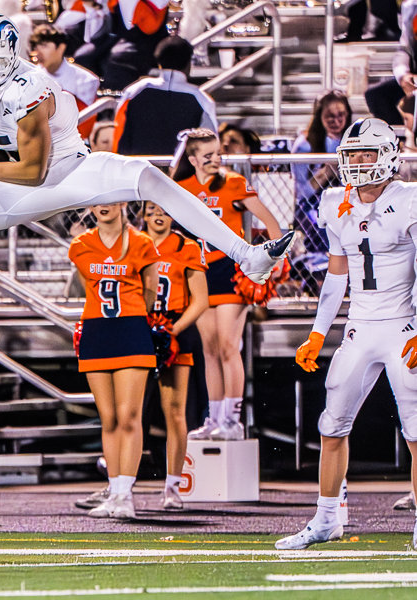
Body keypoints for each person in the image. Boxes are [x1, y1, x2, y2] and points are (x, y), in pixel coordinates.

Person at [0, 10, 294, 379]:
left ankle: (247, 256)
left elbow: (33, 170)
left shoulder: (29, 88)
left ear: (5, 60)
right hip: (11, 180)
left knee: (148, 177)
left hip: (65, 170)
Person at [276, 117, 417, 550]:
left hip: (403, 324)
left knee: (416, 432)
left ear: (388, 156)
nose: (356, 162)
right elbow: (337, 275)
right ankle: (326, 519)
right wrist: (318, 333)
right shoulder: (337, 200)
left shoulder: (409, 199)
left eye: (366, 154)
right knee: (332, 424)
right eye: (351, 154)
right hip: (359, 326)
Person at [171, 128, 284, 440]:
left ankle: (233, 420)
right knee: (208, 349)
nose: (216, 160)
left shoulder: (233, 182)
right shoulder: (182, 187)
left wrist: (275, 260)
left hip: (229, 270)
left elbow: (271, 222)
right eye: (207, 155)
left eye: (218, 153)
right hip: (200, 272)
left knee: (227, 345)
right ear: (193, 159)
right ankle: (215, 418)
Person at [70, 203, 159, 519]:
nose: (103, 206)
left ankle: (125, 495)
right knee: (108, 419)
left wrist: (132, 317)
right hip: (97, 332)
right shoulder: (81, 245)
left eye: (111, 199)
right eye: (98, 200)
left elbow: (151, 293)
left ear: (123, 202)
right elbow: (84, 288)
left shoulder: (142, 243)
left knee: (129, 416)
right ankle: (113, 491)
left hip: (131, 329)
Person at [141, 201, 209, 509]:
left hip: (175, 328)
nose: (159, 214)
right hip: (139, 328)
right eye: (152, 208)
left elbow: (201, 300)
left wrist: (171, 331)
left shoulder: (186, 246)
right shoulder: (134, 244)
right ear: (143, 213)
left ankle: (172, 487)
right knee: (129, 413)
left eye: (165, 209)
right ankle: (118, 484)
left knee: (175, 412)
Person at [111, 36, 217, 156]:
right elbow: (210, 146)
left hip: (137, 165)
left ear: (158, 62)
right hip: (178, 167)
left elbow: (118, 134)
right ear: (189, 64)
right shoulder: (202, 99)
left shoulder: (134, 91)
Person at [291, 90, 353, 253]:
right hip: (314, 205)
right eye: (330, 116)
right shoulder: (304, 145)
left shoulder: (352, 141)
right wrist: (325, 173)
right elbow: (299, 194)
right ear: (320, 116)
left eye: (341, 115)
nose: (336, 121)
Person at [29, 23, 101, 139]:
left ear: (61, 48)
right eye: (36, 47)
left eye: (44, 46)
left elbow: (85, 125)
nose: (38, 52)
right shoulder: (29, 77)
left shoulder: (86, 80)